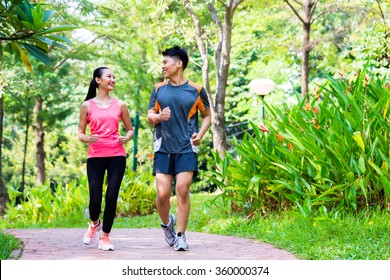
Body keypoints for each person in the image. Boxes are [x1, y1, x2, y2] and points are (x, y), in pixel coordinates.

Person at [147, 46, 211, 251]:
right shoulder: (158, 89)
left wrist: (200, 134)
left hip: (186, 147)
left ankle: (181, 236)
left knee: (182, 190)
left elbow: (207, 116)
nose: (163, 65)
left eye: (166, 62)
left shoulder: (197, 90)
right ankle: (167, 225)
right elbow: (150, 116)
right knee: (163, 194)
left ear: (179, 64)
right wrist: (159, 117)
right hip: (163, 147)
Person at [78, 67, 134, 251]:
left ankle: (106, 236)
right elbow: (80, 133)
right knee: (95, 198)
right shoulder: (87, 105)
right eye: (109, 76)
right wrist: (87, 138)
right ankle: (95, 223)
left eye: (114, 77)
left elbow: (130, 129)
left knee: (111, 196)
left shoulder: (120, 105)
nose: (113, 79)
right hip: (95, 156)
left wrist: (126, 137)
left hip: (117, 154)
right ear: (98, 80)